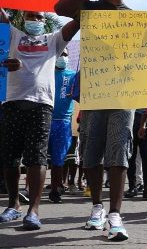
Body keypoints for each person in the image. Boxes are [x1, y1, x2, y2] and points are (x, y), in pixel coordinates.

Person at [55, 0, 147, 241]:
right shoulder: (90, 8)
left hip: (123, 93)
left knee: (118, 149)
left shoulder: (135, 18)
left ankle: (115, 213)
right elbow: (60, 8)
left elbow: (143, 62)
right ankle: (97, 207)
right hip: (94, 90)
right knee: (91, 153)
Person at [0, 10, 79, 230]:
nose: (33, 20)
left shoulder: (54, 40)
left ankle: (33, 210)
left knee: (37, 158)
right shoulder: (14, 35)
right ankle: (13, 204)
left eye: (37, 17)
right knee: (10, 157)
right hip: (12, 101)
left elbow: (77, 19)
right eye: (29, 16)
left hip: (42, 105)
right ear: (23, 20)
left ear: (45, 21)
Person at [48, 47, 77, 203]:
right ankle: (30, 190)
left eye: (65, 54)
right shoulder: (46, 72)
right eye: (59, 54)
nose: (62, 57)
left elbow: (82, 95)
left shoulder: (73, 75)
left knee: (59, 159)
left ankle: (55, 190)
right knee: (38, 158)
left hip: (63, 122)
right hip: (44, 119)